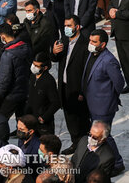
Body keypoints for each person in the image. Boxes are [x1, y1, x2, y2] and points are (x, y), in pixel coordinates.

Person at [82, 29, 125, 172]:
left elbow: (119, 83)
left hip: (103, 106)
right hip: (91, 103)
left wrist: (109, 98)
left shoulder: (108, 60)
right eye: (90, 41)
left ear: (103, 44)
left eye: (94, 42)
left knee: (105, 136)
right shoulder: (92, 54)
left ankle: (118, 163)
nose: (91, 44)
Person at [51, 16, 90, 154]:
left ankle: (84, 145)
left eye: (69, 25)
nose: (66, 28)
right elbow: (56, 59)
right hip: (64, 86)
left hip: (77, 89)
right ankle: (75, 143)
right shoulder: (64, 42)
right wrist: (54, 52)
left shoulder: (85, 45)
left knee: (81, 119)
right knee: (69, 118)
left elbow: (87, 71)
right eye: (65, 25)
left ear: (77, 27)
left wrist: (82, 92)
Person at [0, 23, 31, 122]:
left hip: (11, 94)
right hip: (25, 90)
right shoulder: (25, 47)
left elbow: (4, 80)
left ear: (3, 37)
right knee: (22, 121)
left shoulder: (7, 55)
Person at [25, 52, 61, 136]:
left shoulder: (49, 81)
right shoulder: (32, 77)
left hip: (43, 124)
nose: (34, 67)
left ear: (45, 68)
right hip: (31, 119)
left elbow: (56, 103)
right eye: (33, 64)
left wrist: (44, 117)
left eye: (37, 66)